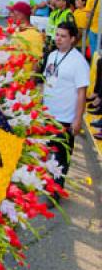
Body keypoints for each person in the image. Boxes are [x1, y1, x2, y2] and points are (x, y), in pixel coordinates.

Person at [43, 22, 89, 195]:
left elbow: (81, 93)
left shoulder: (78, 62)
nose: (58, 39)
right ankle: (46, 184)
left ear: (72, 39)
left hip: (65, 117)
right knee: (47, 153)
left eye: (63, 36)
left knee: (61, 157)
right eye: (57, 35)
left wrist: (77, 119)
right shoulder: (52, 55)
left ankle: (55, 191)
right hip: (47, 113)